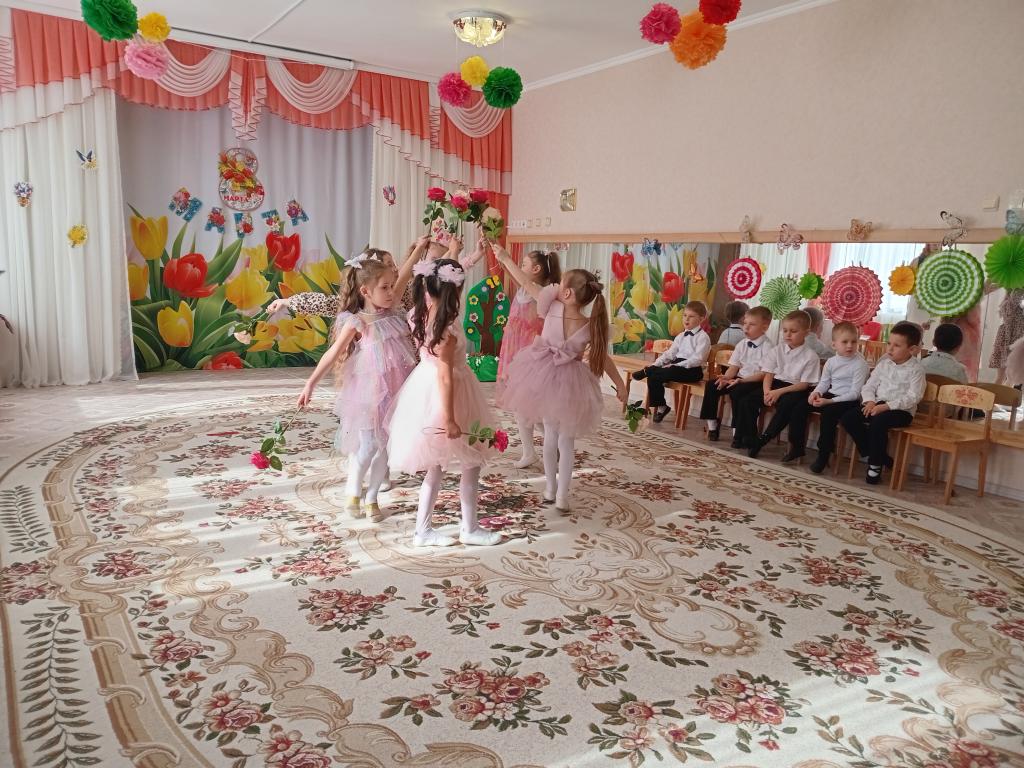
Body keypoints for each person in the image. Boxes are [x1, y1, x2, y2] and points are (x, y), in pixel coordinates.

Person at [495, 246, 628, 512]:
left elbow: (525, 283)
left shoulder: (552, 306)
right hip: (571, 383)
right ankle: (562, 496)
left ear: (566, 293)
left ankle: (550, 489)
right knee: (566, 441)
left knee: (550, 437)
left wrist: (505, 258)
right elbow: (604, 359)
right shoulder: (590, 325)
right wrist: (621, 385)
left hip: (544, 375)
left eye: (561, 284)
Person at [296, 249, 420, 520]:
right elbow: (333, 354)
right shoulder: (356, 321)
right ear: (365, 291)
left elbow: (404, 277)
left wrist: (417, 250)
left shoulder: (394, 313)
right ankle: (353, 489)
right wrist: (310, 383)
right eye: (385, 287)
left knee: (386, 448)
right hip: (368, 391)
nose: (392, 292)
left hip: (398, 390)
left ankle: (372, 497)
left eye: (392, 286)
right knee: (367, 447)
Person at [385, 259, 502, 548]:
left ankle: (424, 530)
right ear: (456, 290)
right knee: (471, 461)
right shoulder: (445, 328)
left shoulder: (420, 313)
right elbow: (446, 376)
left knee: (437, 466)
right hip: (447, 394)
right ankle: (467, 528)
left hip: (425, 387)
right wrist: (449, 419)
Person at [495, 249, 562, 468]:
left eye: (524, 264)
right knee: (524, 408)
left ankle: (544, 447)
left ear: (536, 269)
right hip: (516, 355)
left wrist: (506, 258)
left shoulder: (541, 293)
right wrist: (499, 255)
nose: (520, 267)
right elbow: (518, 277)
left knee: (529, 408)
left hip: (531, 359)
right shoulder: (523, 290)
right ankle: (540, 449)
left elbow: (523, 280)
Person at [839, 321, 926, 485]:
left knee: (878, 423)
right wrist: (869, 401)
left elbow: (914, 397)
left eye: (896, 345)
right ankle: (881, 456)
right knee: (848, 418)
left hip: (901, 411)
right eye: (889, 343)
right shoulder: (883, 364)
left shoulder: (917, 370)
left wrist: (886, 407)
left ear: (912, 349)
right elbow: (869, 386)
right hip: (877, 404)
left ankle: (875, 464)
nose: (890, 349)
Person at [746, 310, 821, 463]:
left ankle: (764, 438)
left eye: (793, 331)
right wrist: (767, 392)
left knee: (787, 404)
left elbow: (804, 384)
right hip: (775, 385)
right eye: (785, 330)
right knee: (749, 399)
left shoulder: (811, 356)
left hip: (796, 388)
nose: (788, 334)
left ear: (806, 333)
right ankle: (749, 437)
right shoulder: (777, 349)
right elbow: (769, 373)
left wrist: (778, 392)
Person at [797, 322, 870, 474]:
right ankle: (797, 446)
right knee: (801, 405)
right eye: (845, 342)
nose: (849, 345)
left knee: (829, 413)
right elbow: (824, 383)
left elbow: (855, 393)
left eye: (853, 341)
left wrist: (828, 401)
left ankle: (823, 455)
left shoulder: (860, 364)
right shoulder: (831, 362)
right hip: (832, 395)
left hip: (849, 400)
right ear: (834, 344)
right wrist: (815, 393)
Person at [699, 306, 774, 447]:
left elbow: (764, 374)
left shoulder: (768, 347)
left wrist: (740, 381)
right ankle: (712, 425)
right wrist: (725, 378)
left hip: (755, 382)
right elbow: (734, 367)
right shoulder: (742, 344)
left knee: (737, 392)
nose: (746, 327)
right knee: (712, 385)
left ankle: (737, 432)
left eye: (752, 325)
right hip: (739, 378)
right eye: (745, 323)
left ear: (765, 327)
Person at [630, 301, 710, 423]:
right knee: (654, 374)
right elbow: (670, 354)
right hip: (676, 366)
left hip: (692, 370)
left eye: (691, 316)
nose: (686, 319)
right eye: (685, 315)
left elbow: (697, 360)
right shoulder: (680, 336)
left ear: (701, 319)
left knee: (665, 371)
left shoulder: (703, 337)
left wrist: (675, 365)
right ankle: (662, 406)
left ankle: (646, 371)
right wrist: (656, 364)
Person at [989, 288, 1024, 386]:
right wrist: (1019, 289)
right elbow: (1010, 309)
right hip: (1008, 338)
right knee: (1002, 377)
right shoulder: (1008, 303)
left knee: (1010, 378)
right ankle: (996, 395)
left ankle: (1003, 394)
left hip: (1017, 340)